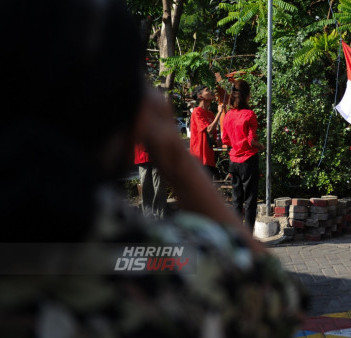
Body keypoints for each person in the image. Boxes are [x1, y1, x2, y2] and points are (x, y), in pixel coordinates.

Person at [0, 1, 306, 336]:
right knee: (219, 201)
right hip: (219, 160)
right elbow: (273, 299)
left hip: (224, 158)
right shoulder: (149, 268)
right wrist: (175, 158)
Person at [222, 79, 265, 232]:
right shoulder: (249, 114)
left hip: (233, 161)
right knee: (250, 200)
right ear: (248, 96)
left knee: (236, 200)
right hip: (248, 160)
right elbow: (251, 140)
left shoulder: (228, 116)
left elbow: (225, 140)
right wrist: (261, 146)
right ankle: (248, 236)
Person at [189, 85, 224, 179]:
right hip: (199, 157)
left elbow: (213, 136)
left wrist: (218, 143)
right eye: (207, 90)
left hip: (209, 157)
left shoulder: (210, 114)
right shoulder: (197, 112)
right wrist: (219, 113)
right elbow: (209, 129)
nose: (211, 91)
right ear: (200, 96)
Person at [134, 143, 169, 218]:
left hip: (157, 152)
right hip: (143, 153)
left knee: (159, 187)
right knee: (145, 186)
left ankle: (161, 217)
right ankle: (149, 218)